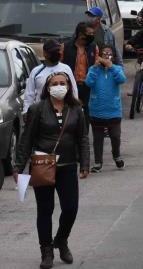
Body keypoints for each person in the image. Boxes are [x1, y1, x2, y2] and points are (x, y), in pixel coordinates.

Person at [14, 72, 89, 269]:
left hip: (68, 166)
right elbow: (26, 138)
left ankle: (61, 240)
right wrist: (18, 167)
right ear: (47, 88)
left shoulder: (76, 108)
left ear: (68, 86)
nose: (58, 86)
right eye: (54, 83)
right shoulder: (37, 109)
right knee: (45, 210)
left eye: (62, 83)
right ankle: (46, 250)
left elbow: (82, 138)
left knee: (71, 207)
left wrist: (86, 164)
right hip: (43, 165)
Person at [85, 45, 126, 172]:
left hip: (113, 109)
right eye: (104, 54)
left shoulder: (117, 69)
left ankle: (116, 156)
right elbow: (88, 83)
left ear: (113, 56)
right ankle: (98, 162)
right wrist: (96, 67)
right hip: (96, 109)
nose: (106, 56)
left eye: (109, 54)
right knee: (97, 138)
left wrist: (111, 66)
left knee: (115, 135)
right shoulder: (94, 69)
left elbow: (122, 79)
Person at [24, 39, 79, 116]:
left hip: (63, 112)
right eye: (53, 51)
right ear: (45, 53)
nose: (57, 53)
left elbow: (74, 91)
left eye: (58, 51)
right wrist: (26, 111)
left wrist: (76, 110)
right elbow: (29, 94)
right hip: (41, 113)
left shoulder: (66, 69)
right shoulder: (36, 71)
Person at [60, 21, 99, 122]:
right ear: (81, 34)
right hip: (70, 85)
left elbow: (96, 67)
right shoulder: (66, 47)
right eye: (90, 34)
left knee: (86, 112)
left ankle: (84, 134)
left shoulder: (94, 47)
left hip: (87, 86)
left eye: (93, 34)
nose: (92, 36)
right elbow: (60, 66)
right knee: (69, 111)